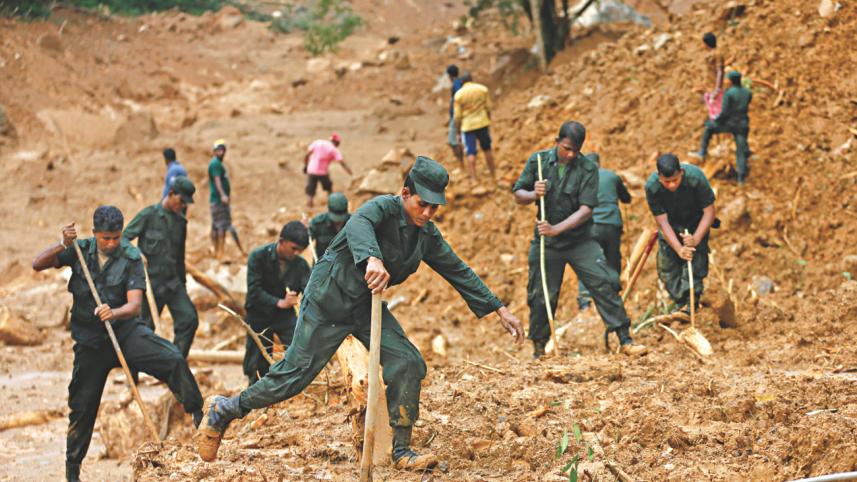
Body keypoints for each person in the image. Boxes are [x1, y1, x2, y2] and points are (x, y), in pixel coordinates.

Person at [196, 156, 524, 470]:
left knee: (408, 361)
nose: (427, 212)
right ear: (405, 193)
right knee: (293, 377)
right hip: (327, 301)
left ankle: (402, 449)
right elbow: (359, 224)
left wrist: (499, 308)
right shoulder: (381, 208)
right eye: (421, 203)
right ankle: (226, 409)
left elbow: (458, 270)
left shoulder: (426, 236)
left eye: (433, 207)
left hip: (364, 307)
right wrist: (372, 259)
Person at [31, 206, 203, 482]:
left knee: (172, 358)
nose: (111, 243)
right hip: (90, 343)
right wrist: (63, 244)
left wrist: (115, 311)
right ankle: (72, 470)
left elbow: (135, 305)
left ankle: (199, 415)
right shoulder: (79, 250)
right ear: (95, 233)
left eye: (116, 237)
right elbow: (37, 264)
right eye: (106, 238)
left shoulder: (131, 256)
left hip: (125, 333)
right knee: (82, 408)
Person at [512, 121, 647, 358]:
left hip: (581, 240)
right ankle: (539, 349)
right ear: (557, 141)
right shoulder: (539, 161)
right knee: (542, 294)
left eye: (576, 149)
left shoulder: (587, 168)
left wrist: (557, 229)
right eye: (566, 148)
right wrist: (535, 193)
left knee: (603, 283)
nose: (571, 154)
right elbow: (518, 194)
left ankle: (625, 338)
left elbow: (586, 210)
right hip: (547, 243)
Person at [123, 176, 199, 357]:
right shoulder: (148, 215)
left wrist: (183, 285)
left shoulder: (181, 223)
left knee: (189, 319)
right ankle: (133, 379)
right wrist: (136, 254)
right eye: (181, 201)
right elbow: (124, 239)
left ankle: (174, 364)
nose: (183, 206)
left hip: (173, 283)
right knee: (140, 331)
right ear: (171, 194)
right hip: (150, 285)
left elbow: (179, 257)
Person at [644, 153, 717, 313]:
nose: (671, 185)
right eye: (666, 182)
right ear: (659, 177)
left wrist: (696, 239)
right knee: (667, 267)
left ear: (681, 172)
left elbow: (709, 212)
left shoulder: (696, 178)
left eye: (675, 180)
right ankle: (680, 303)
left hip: (697, 222)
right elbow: (662, 222)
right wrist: (678, 248)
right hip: (671, 226)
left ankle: (691, 304)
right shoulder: (652, 187)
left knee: (695, 264)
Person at [243, 221, 311, 386]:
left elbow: (310, 290)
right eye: (293, 248)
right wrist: (278, 302)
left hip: (284, 316)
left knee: (297, 348)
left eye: (300, 251)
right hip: (259, 314)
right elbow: (254, 291)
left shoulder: (301, 265)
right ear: (281, 241)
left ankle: (292, 386)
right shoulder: (258, 257)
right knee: (257, 362)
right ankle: (255, 393)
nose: (296, 253)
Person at [577, 153, 632, 311]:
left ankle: (585, 300)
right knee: (612, 257)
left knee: (586, 261)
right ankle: (614, 294)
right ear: (598, 163)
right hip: (612, 224)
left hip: (590, 226)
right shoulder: (612, 176)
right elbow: (626, 198)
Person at [691, 70, 753, 184]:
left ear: (731, 81)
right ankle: (741, 179)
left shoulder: (729, 93)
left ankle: (702, 152)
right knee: (740, 152)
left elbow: (724, 113)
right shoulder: (747, 92)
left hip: (730, 124)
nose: (726, 81)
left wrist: (715, 121)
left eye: (727, 79)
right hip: (743, 125)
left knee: (709, 129)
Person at [453, 72, 495, 181]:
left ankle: (473, 178)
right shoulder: (482, 89)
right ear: (472, 79)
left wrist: (457, 132)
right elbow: (488, 108)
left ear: (462, 82)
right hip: (482, 123)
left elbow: (457, 117)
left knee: (470, 152)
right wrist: (488, 120)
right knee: (487, 149)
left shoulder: (459, 95)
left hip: (468, 126)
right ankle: (492, 175)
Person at [208, 139, 244, 259]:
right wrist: (223, 194)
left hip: (217, 200)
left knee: (217, 225)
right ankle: (220, 253)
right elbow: (217, 180)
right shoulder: (215, 164)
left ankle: (217, 251)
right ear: (214, 151)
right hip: (218, 201)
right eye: (219, 150)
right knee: (222, 226)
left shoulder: (217, 164)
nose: (221, 152)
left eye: (223, 150)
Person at [304, 133, 353, 208]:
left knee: (310, 192)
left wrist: (306, 165)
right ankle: (332, 205)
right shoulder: (334, 150)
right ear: (337, 143)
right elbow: (342, 163)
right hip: (323, 173)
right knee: (329, 189)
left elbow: (307, 155)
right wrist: (349, 171)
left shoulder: (318, 142)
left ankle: (309, 207)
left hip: (311, 170)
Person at [308, 192, 350, 260]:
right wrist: (301, 229)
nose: (338, 221)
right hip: (322, 266)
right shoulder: (318, 223)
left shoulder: (353, 223)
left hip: (346, 267)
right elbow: (306, 239)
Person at [701, 32, 725, 120]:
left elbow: (719, 71)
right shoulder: (710, 54)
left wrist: (717, 88)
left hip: (714, 87)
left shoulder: (717, 54)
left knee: (718, 111)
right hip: (710, 86)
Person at [446, 64, 464, 164]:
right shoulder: (459, 82)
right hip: (458, 114)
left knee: (452, 140)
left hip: (457, 116)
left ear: (449, 75)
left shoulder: (456, 84)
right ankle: (461, 162)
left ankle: (461, 162)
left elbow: (458, 98)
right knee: (458, 139)